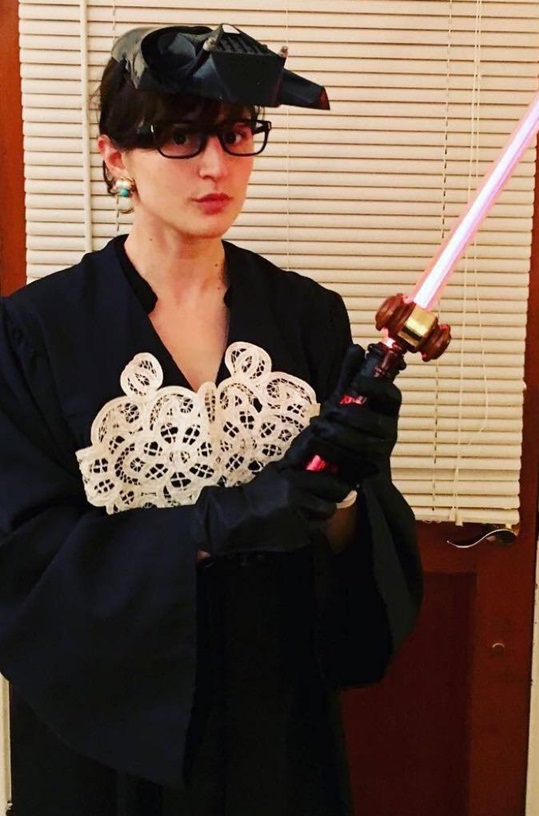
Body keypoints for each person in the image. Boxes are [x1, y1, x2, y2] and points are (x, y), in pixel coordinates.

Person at [0, 23, 422, 816]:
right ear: (114, 156)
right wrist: (225, 521)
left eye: (235, 134)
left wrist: (342, 489)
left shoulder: (307, 315)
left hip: (276, 715)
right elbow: (24, 557)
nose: (216, 166)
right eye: (179, 137)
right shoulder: (34, 335)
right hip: (110, 728)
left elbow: (346, 548)